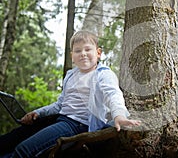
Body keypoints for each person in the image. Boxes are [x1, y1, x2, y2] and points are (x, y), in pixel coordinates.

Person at [0, 30, 141, 158]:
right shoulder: (71, 75)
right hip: (60, 118)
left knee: (24, 150)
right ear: (72, 56)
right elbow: (60, 104)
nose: (83, 53)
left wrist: (119, 115)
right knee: (12, 138)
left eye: (88, 49)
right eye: (78, 51)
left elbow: (113, 94)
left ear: (98, 53)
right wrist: (38, 112)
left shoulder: (103, 74)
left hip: (77, 124)